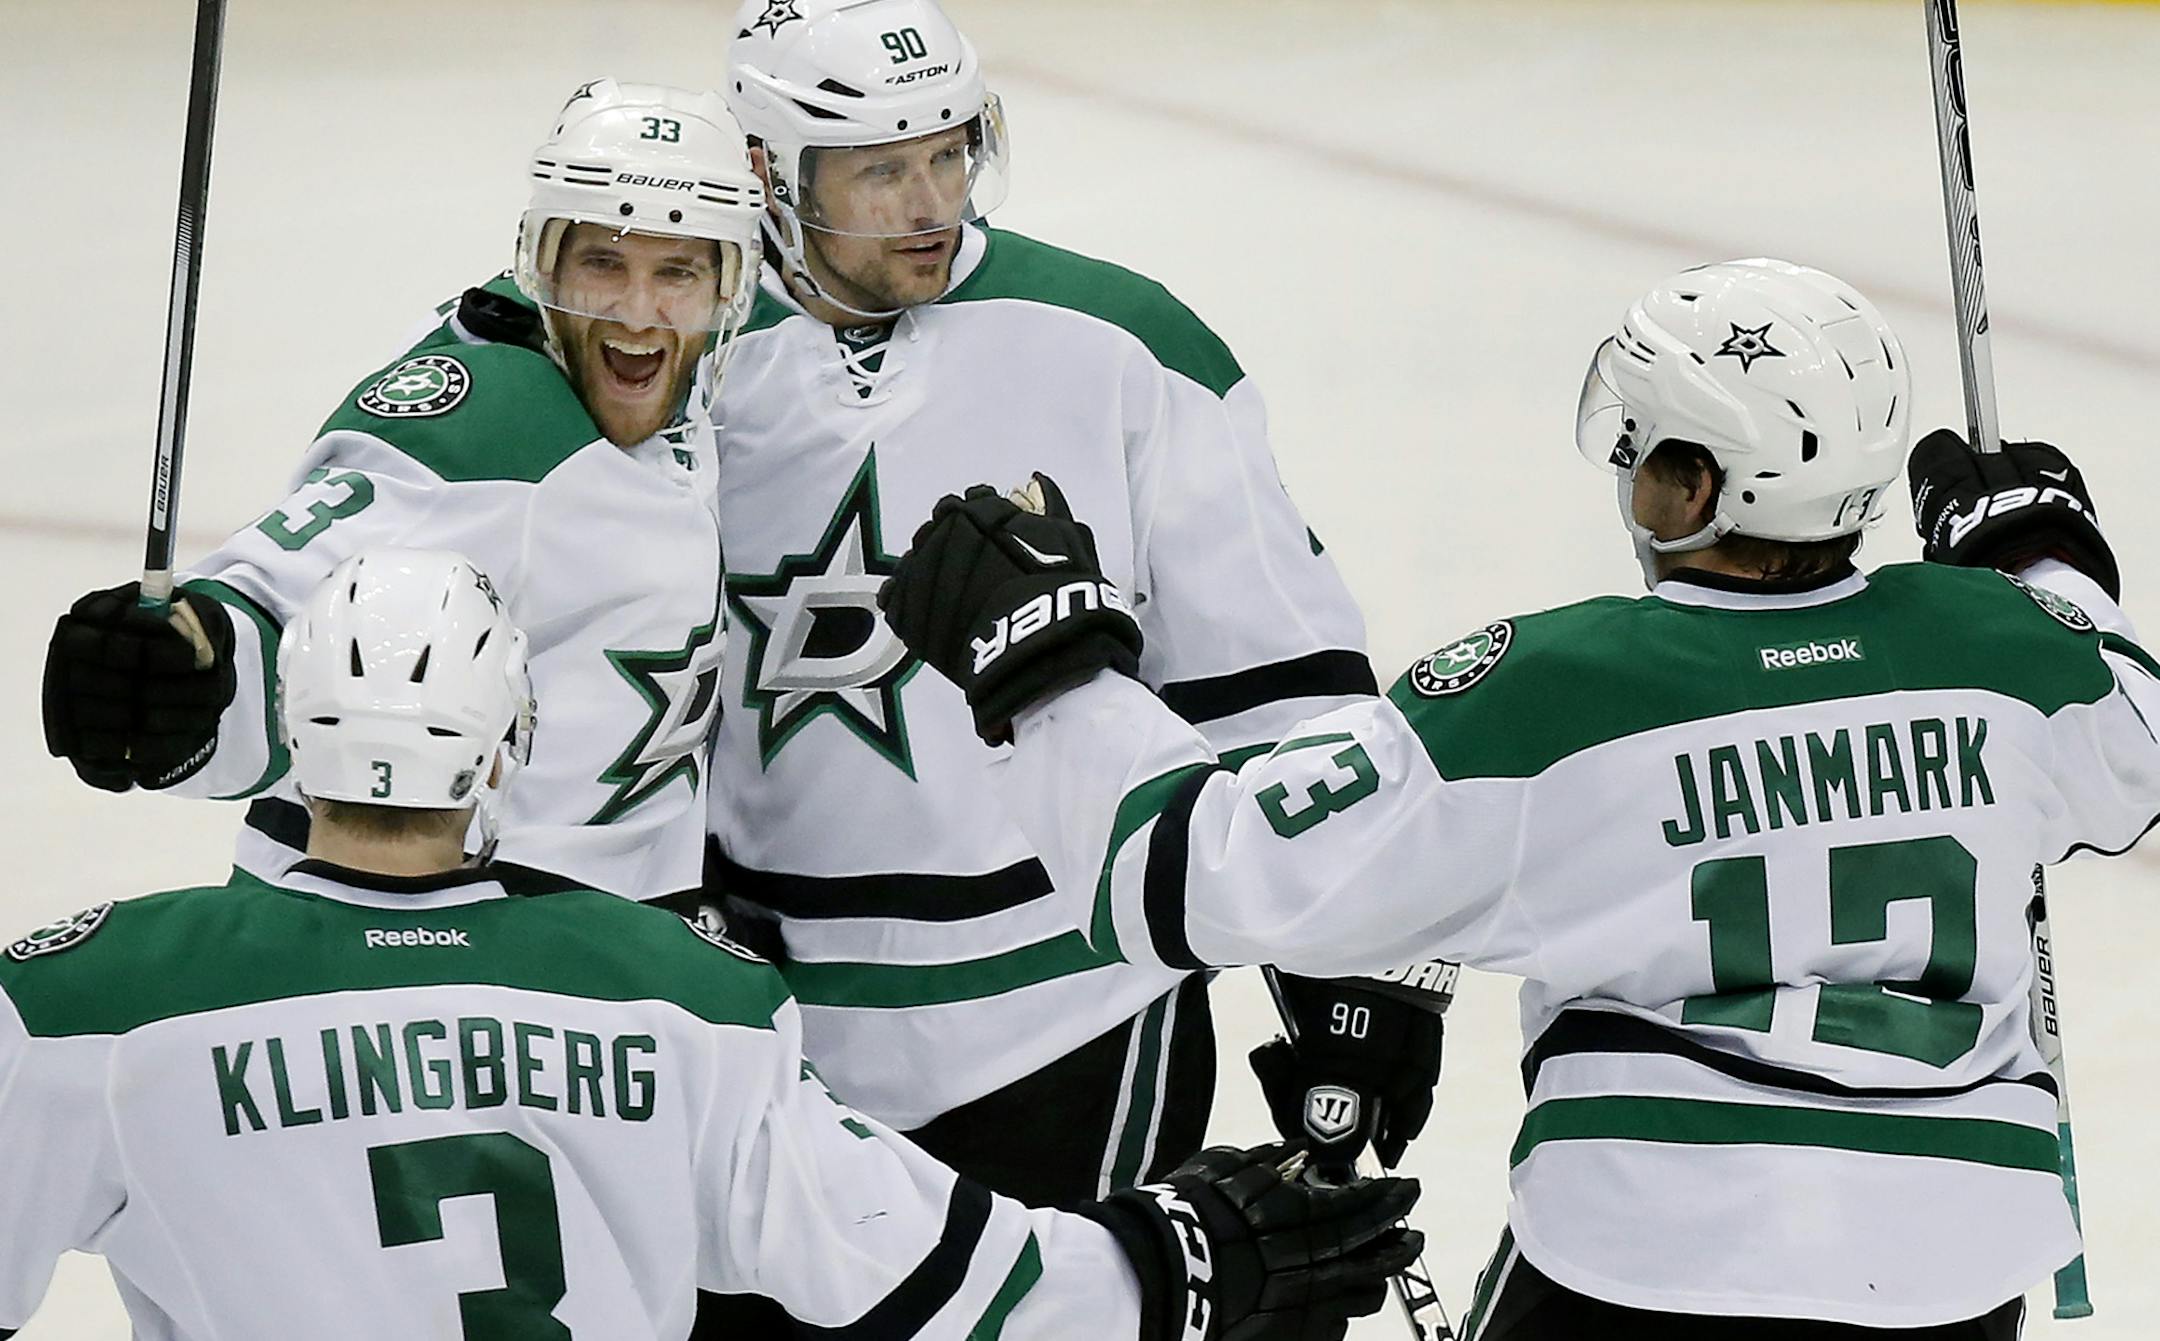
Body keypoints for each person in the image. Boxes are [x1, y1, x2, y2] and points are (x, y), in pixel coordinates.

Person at [879, 258, 2160, 1339]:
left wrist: (1047, 674)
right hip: (1961, 1260)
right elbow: (2139, 738)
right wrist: (2042, 555)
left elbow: (1194, 880)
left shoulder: (1552, 693)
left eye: (1644, 445)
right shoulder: (2008, 652)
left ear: (1695, 488)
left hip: (1658, 1252)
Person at [0, 547, 1422, 1341]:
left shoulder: (90, 1004)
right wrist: (1175, 1258)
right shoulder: (678, 995)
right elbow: (919, 1268)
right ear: (508, 754)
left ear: (292, 747)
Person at [704, 0, 1449, 1215]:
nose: (931, 201)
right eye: (880, 170)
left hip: (1076, 1005)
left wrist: (1349, 968)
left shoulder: (1122, 342)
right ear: (766, 173)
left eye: (950, 151)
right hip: (773, 1030)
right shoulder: (678, 355)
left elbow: (1282, 682)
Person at [42, 80, 764, 905]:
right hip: (462, 976)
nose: (640, 313)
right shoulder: (487, 415)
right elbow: (298, 583)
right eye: (603, 263)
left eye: (677, 271)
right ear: (542, 262)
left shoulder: (691, 371)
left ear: (727, 287)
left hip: (609, 949)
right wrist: (194, 666)